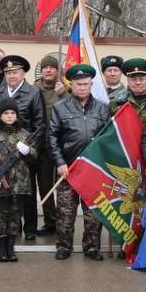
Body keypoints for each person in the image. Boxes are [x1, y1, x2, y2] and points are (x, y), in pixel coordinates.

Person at [48, 64, 112, 260]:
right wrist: (60, 162)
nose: (82, 88)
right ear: (71, 85)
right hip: (69, 168)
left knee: (93, 212)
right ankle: (63, 246)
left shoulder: (103, 108)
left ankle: (92, 247)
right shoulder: (60, 108)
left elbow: (108, 138)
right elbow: (52, 137)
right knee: (65, 212)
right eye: (78, 84)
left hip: (92, 170)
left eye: (85, 84)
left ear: (91, 84)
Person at [1, 54, 50, 240]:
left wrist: (30, 148)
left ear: (23, 73)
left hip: (26, 148)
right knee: (8, 188)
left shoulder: (33, 92)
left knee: (27, 190)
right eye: (8, 72)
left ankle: (30, 228)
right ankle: (12, 226)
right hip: (5, 148)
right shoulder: (1, 91)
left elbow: (39, 124)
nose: (12, 76)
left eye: (15, 72)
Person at [0, 98, 35, 262]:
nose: (10, 116)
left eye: (13, 113)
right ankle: (1, 249)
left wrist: (28, 151)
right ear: (0, 115)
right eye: (6, 113)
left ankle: (11, 248)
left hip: (20, 184)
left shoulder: (25, 134)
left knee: (15, 216)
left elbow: (35, 159)